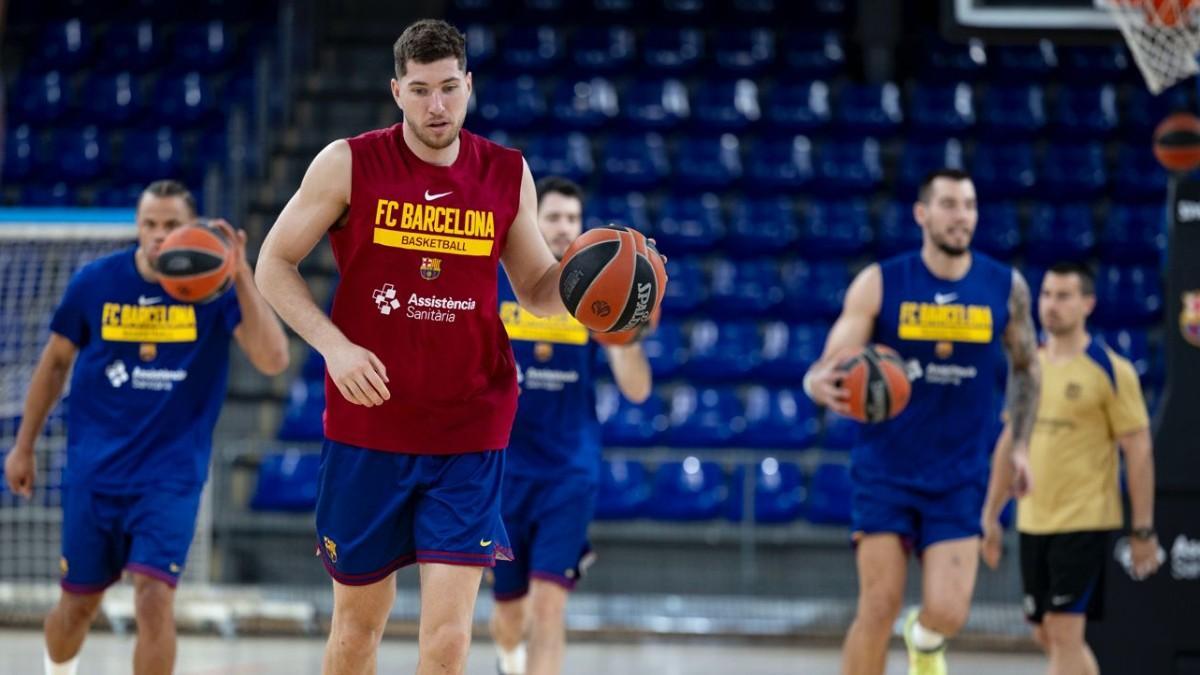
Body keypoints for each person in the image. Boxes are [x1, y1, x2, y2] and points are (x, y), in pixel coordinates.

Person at [253, 19, 575, 675]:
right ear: (395, 90)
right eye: (421, 90)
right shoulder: (348, 162)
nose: (437, 106)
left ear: (469, 87)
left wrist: (597, 288)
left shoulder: (507, 173)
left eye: (450, 88)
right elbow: (273, 263)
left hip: (470, 426)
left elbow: (538, 287)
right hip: (369, 427)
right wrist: (333, 345)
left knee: (450, 640)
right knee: (355, 633)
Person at [3, 179, 289, 675]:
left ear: (192, 229)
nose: (159, 235)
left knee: (154, 597)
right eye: (150, 224)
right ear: (138, 227)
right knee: (76, 608)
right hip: (94, 476)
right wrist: (23, 446)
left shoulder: (215, 292)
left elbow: (272, 360)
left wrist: (239, 272)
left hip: (170, 479)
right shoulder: (95, 283)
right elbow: (53, 366)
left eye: (171, 225)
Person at [803, 168, 1040, 675]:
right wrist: (815, 383)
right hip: (886, 469)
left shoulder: (1005, 286)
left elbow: (1026, 370)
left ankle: (926, 639)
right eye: (950, 204)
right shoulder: (881, 281)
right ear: (922, 213)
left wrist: (1019, 445)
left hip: (960, 473)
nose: (962, 217)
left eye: (970, 206)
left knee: (950, 612)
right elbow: (832, 363)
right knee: (878, 605)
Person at [488, 177, 652, 675]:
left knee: (548, 605)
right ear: (534, 225)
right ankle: (508, 660)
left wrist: (625, 336)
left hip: (569, 471)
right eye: (553, 218)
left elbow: (638, 390)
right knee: (508, 613)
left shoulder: (600, 295)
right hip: (502, 469)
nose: (563, 229)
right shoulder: (496, 283)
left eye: (572, 220)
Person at [981, 262, 1158, 675]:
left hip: (1084, 520)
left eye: (1063, 296)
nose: (1051, 305)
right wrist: (991, 515)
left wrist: (1143, 529)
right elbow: (1009, 443)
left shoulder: (1111, 369)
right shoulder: (1029, 369)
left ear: (1087, 304)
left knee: (1063, 632)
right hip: (1033, 520)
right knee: (1045, 633)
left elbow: (1138, 449)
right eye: (1046, 295)